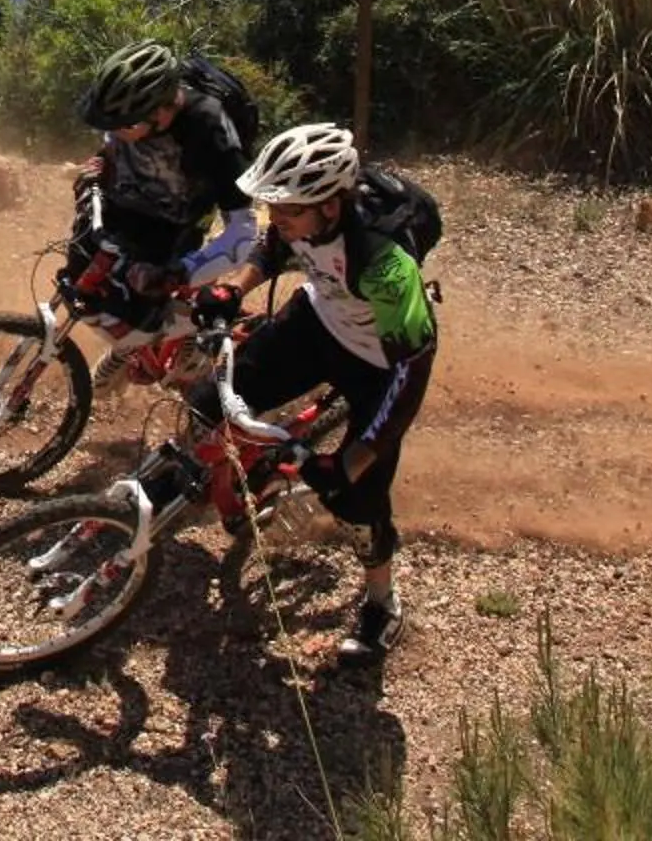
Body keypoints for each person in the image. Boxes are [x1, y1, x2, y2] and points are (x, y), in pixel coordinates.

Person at [179, 121, 437, 661]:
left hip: (378, 366)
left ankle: (382, 604)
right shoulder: (302, 221)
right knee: (207, 402)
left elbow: (411, 370)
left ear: (330, 206)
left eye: (290, 209)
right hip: (316, 325)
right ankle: (246, 476)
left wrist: (355, 459)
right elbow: (273, 247)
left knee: (354, 498)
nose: (278, 219)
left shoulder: (385, 266)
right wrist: (234, 287)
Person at [67, 40, 255, 328]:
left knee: (137, 315)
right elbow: (111, 141)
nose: (115, 132)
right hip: (127, 199)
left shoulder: (208, 130)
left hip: (175, 224)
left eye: (125, 125)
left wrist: (180, 273)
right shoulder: (128, 113)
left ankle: (182, 343)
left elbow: (243, 230)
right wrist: (101, 161)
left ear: (160, 112)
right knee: (76, 281)